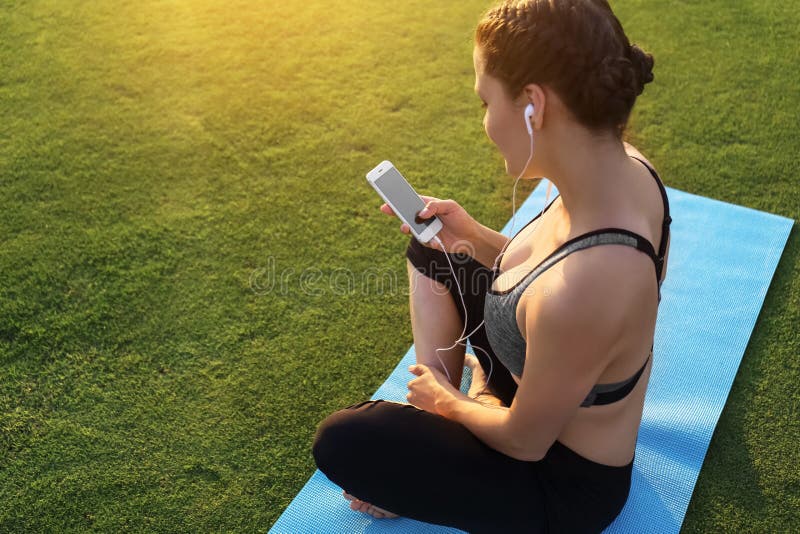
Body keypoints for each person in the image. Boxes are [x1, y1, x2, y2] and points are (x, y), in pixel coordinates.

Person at [312, 0, 671, 531]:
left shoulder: (594, 285)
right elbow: (554, 269)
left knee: (343, 440)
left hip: (555, 479)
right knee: (433, 248)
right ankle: (453, 419)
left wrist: (449, 401)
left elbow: (525, 441)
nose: (485, 121)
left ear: (533, 106)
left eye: (485, 101)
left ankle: (444, 427)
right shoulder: (622, 166)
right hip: (546, 370)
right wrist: (473, 237)